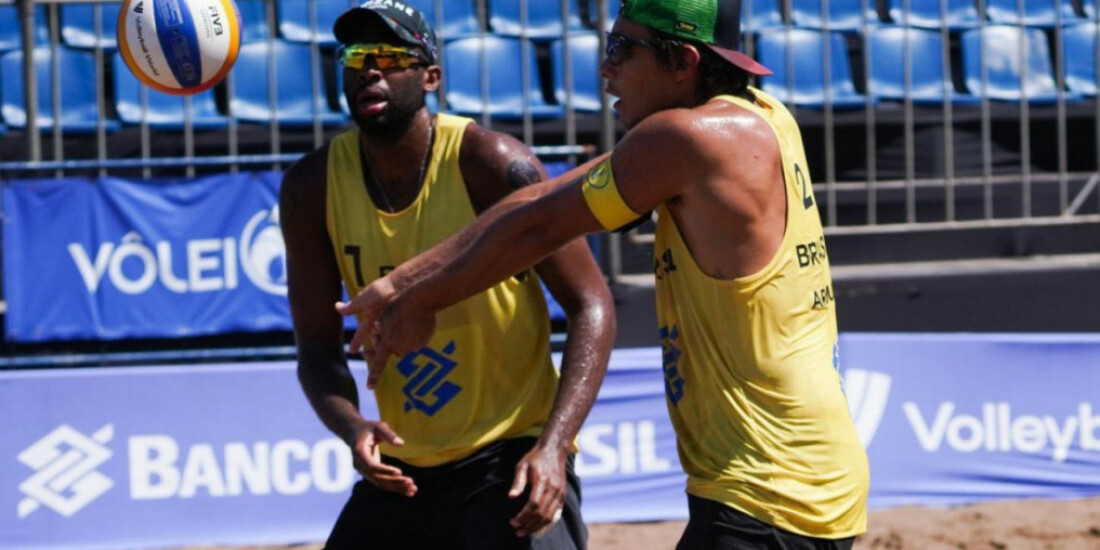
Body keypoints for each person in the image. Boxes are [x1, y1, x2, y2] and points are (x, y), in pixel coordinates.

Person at [337, 0, 870, 548]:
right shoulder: (756, 115)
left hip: (766, 486)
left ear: (684, 61)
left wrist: (422, 302)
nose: (605, 68)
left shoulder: (688, 139)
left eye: (622, 49)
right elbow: (541, 199)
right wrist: (400, 282)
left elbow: (537, 231)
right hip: (803, 473)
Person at [279, 2, 615, 548]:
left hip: (508, 455)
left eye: (390, 56)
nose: (370, 69)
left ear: (431, 76)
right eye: (357, 56)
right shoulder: (310, 187)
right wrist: (354, 428)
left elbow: (591, 304)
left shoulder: (490, 162)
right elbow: (317, 350)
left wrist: (554, 446)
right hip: (403, 469)